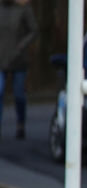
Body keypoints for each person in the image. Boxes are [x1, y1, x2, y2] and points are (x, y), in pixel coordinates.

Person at [0, 0, 37, 140]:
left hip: (18, 59)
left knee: (19, 95)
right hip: (1, 57)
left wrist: (21, 46)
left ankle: (20, 124)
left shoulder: (23, 8)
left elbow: (33, 30)